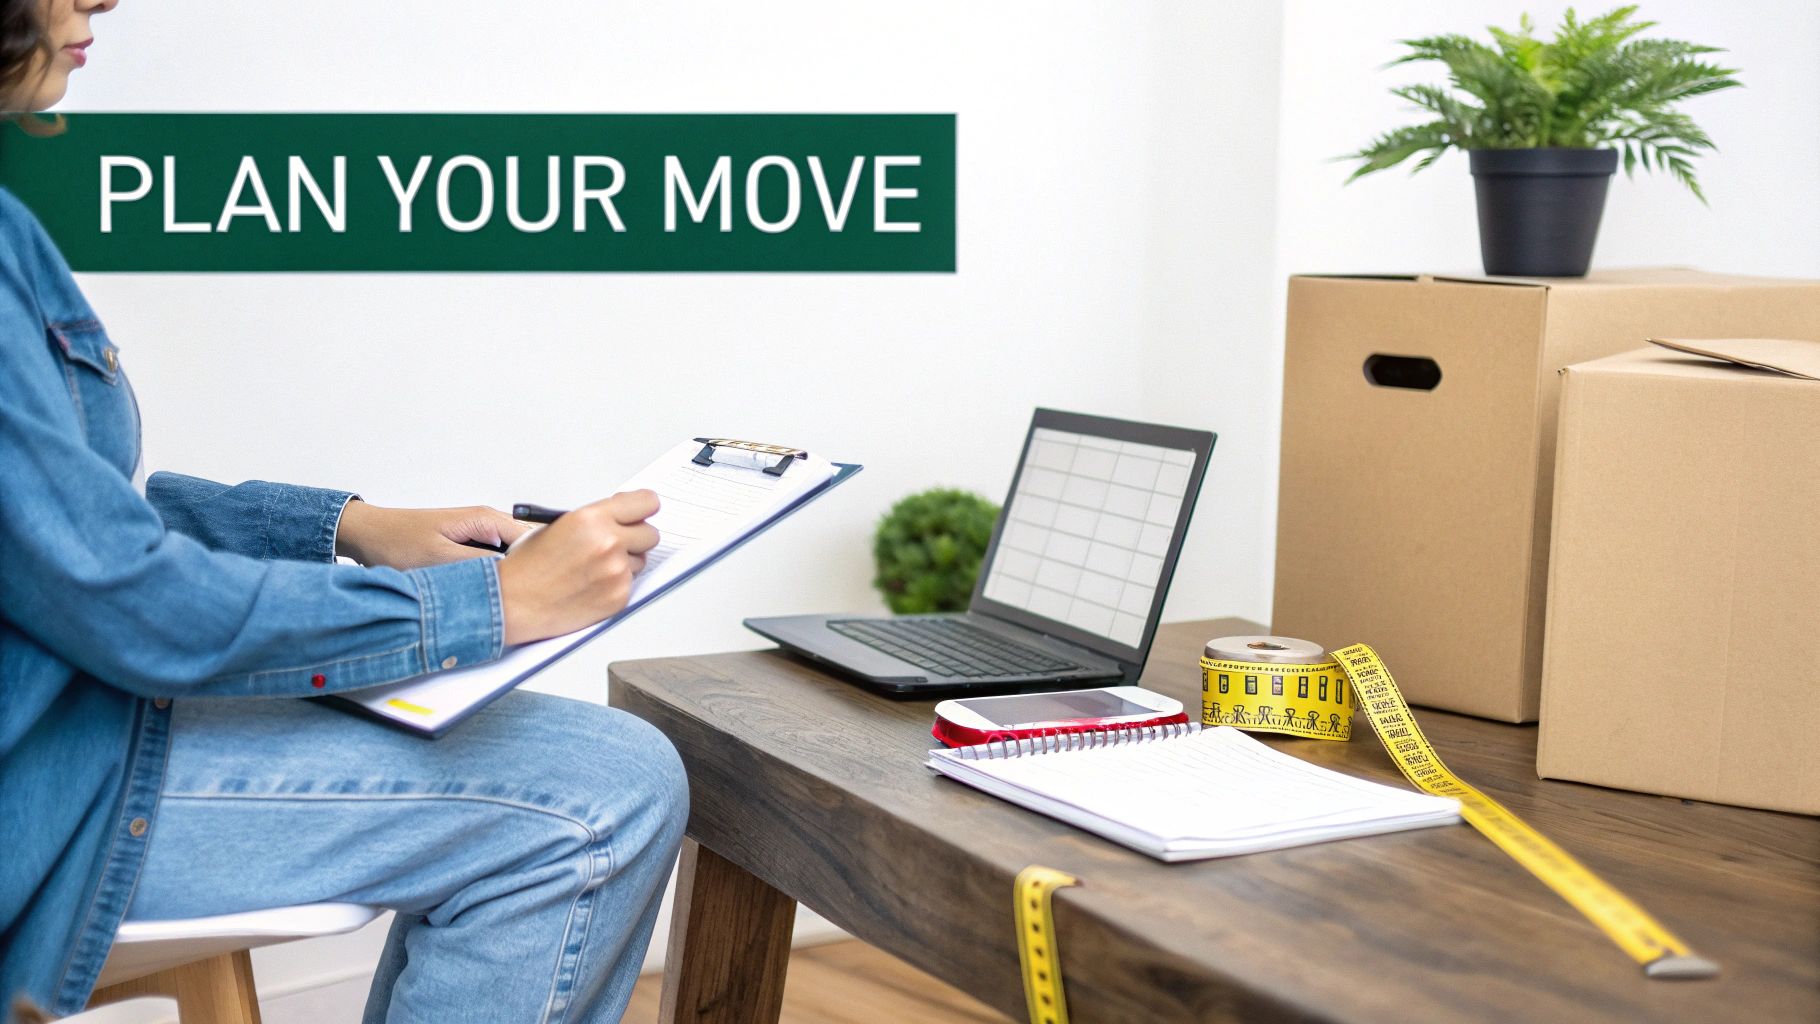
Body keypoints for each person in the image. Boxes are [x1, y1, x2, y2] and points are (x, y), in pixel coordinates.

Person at [0, 2, 689, 1020]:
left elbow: (63, 533)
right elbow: (125, 597)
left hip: (70, 719)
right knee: (595, 796)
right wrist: (487, 604)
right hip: (46, 775)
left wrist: (348, 528)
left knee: (601, 762)